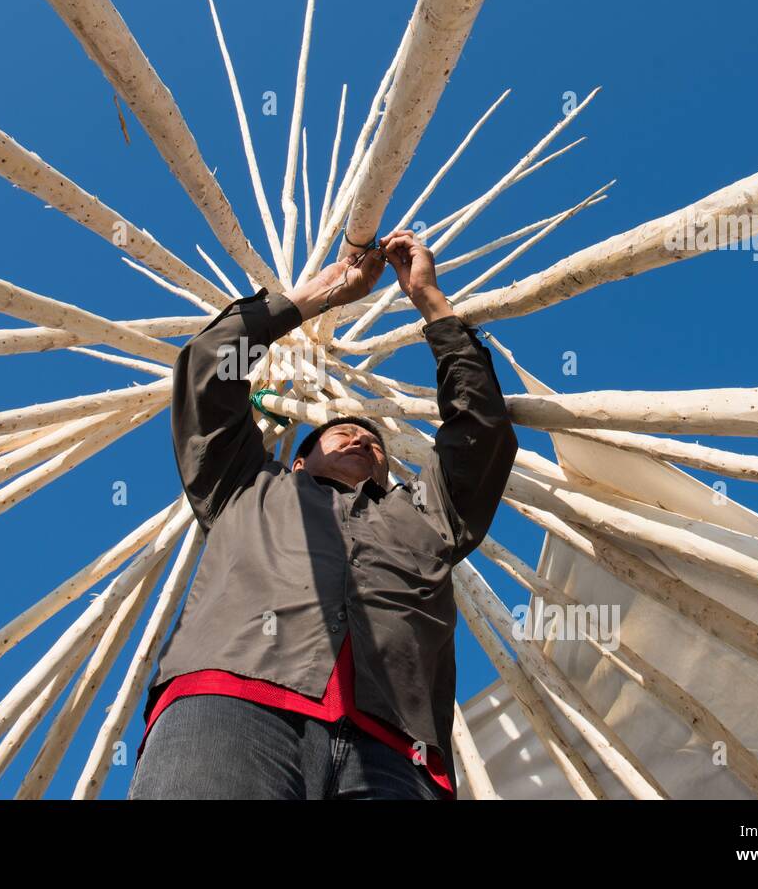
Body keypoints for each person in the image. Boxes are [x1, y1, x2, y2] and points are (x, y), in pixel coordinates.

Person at [128, 229, 518, 799]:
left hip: (395, 747)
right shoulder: (245, 486)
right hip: (230, 704)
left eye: (374, 441)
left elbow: (481, 434)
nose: (361, 438)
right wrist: (327, 291)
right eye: (342, 432)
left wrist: (430, 302)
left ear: (389, 470)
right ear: (299, 458)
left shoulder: (428, 517)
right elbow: (211, 369)